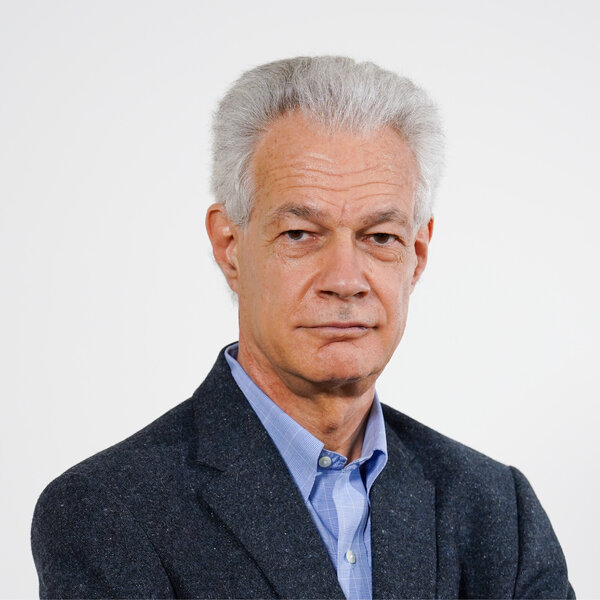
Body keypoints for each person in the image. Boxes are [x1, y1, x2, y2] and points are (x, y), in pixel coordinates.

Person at [31, 56, 574, 599]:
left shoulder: (497, 512)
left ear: (418, 254)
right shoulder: (108, 514)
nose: (345, 280)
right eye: (299, 234)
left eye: (380, 237)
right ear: (229, 246)